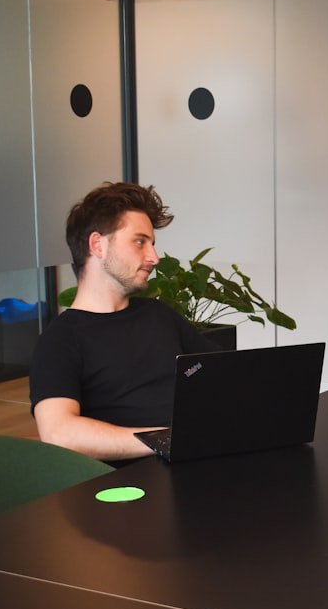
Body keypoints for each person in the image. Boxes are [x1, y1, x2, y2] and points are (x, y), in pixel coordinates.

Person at [29, 182, 218, 462]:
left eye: (152, 244)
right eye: (140, 242)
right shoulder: (61, 339)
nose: (153, 257)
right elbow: (59, 433)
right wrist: (166, 439)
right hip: (133, 478)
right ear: (97, 245)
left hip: (197, 459)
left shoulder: (158, 315)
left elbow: (222, 371)